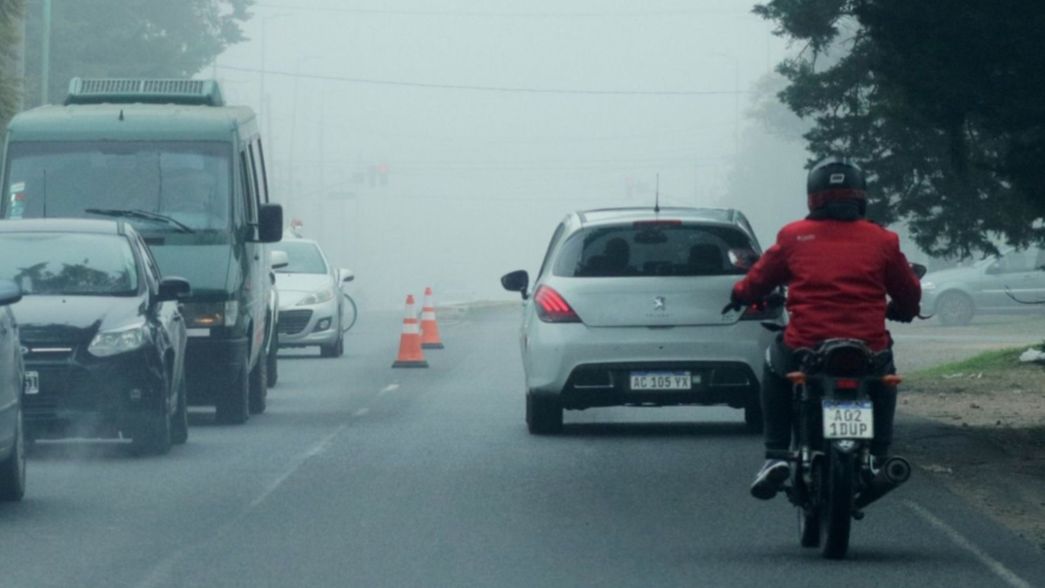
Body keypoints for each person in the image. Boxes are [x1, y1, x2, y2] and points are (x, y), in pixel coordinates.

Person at [723, 157, 922, 500]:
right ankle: (878, 456)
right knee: (884, 380)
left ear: (813, 197)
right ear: (860, 196)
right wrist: (904, 310)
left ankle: (774, 456)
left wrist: (739, 295)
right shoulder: (883, 240)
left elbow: (758, 281)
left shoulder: (793, 236)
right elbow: (908, 291)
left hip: (806, 347)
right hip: (868, 348)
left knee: (772, 365)